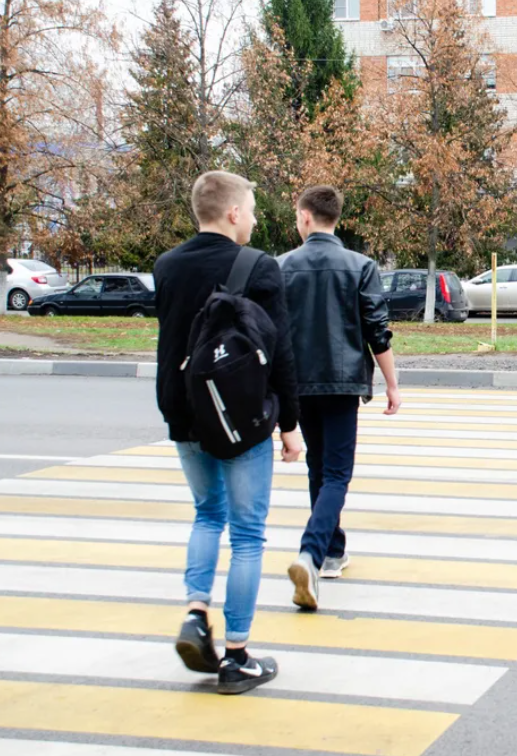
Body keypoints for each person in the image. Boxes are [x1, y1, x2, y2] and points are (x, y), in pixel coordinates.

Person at [154, 171, 302, 695]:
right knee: (246, 534)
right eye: (253, 210)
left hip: (184, 411)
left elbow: (171, 340)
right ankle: (237, 656)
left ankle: (196, 614)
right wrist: (289, 425)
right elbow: (279, 350)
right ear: (234, 213)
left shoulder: (166, 265)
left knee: (206, 514)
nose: (255, 220)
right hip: (241, 418)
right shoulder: (258, 266)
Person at [281, 185, 401, 611]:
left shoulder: (281, 266)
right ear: (336, 218)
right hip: (343, 383)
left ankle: (332, 551)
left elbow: (273, 333)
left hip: (298, 384)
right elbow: (377, 331)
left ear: (305, 217)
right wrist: (391, 384)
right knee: (336, 474)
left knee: (318, 467)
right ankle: (311, 554)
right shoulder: (361, 266)